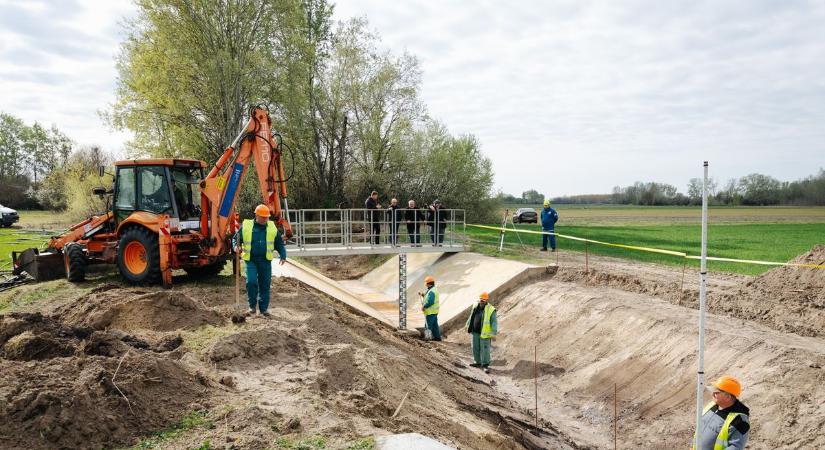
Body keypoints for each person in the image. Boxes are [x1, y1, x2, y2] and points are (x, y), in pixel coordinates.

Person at [235, 204, 287, 317]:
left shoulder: (272, 227)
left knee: (265, 284)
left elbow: (279, 243)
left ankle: (264, 309)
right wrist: (236, 246)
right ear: (256, 215)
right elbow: (236, 238)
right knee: (251, 282)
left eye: (267, 217)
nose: (265, 219)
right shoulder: (247, 226)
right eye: (263, 217)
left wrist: (283, 254)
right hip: (251, 260)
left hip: (265, 261)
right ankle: (252, 307)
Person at [694, 375, 750, 450]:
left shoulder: (740, 421)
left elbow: (736, 447)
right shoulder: (712, 406)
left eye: (716, 392)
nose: (713, 394)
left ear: (728, 397)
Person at [465, 292, 497, 374]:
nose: (482, 301)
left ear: (486, 300)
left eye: (483, 300)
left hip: (485, 334)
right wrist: (467, 325)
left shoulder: (491, 309)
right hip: (475, 332)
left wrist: (493, 333)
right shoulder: (475, 306)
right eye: (481, 300)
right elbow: (471, 316)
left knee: (485, 350)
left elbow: (494, 322)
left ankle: (485, 365)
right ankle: (477, 362)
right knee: (475, 347)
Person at [419, 275, 441, 341]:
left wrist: (424, 306)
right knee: (435, 326)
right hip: (434, 311)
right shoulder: (433, 289)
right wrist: (422, 294)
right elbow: (427, 297)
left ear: (428, 284)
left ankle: (427, 338)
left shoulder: (431, 291)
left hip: (430, 312)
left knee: (428, 326)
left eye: (426, 284)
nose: (425, 285)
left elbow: (430, 301)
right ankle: (437, 338)